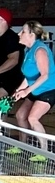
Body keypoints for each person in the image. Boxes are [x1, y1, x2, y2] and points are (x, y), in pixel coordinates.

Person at [10, 21, 55, 162]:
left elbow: (45, 75)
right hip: (35, 89)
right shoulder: (27, 50)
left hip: (48, 90)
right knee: (20, 115)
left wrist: (26, 91)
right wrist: (18, 91)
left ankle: (44, 153)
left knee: (32, 118)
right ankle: (22, 145)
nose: (19, 34)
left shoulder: (39, 50)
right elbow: (29, 76)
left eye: (22, 31)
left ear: (31, 35)